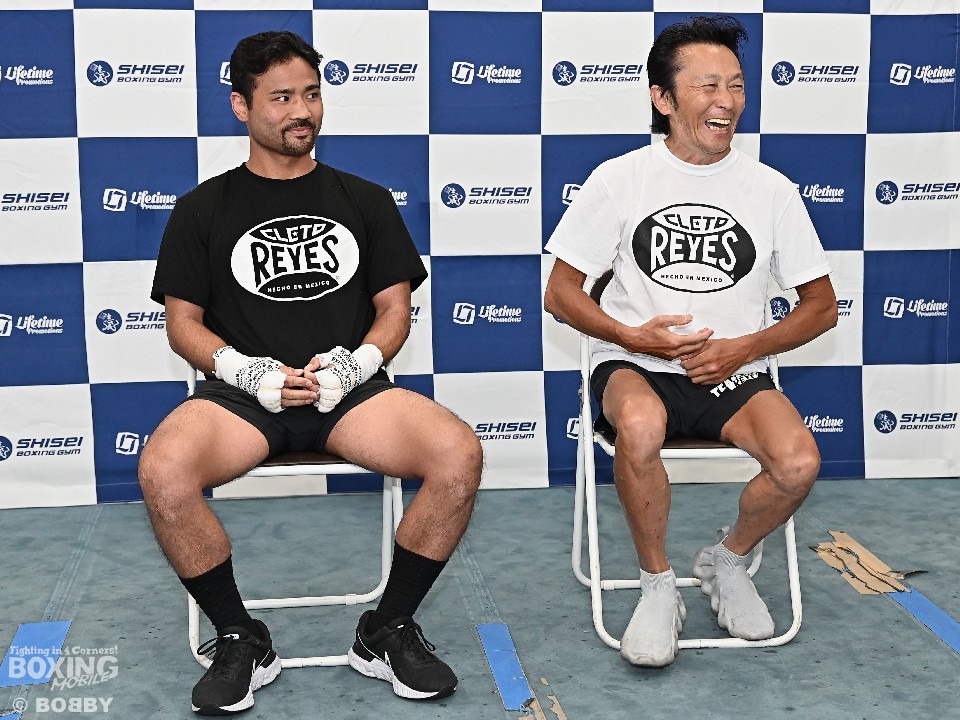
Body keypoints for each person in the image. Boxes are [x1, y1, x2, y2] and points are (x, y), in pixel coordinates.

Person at [140, 30, 482, 715]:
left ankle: (386, 628)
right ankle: (239, 635)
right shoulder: (202, 208)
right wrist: (244, 370)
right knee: (162, 473)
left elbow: (394, 310)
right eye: (281, 98)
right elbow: (183, 324)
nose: (302, 111)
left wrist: (360, 364)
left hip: (349, 393)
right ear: (241, 106)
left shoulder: (365, 199)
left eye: (312, 94)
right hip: (242, 398)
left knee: (458, 454)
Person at [544, 15, 837, 668]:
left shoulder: (771, 190)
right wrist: (631, 335)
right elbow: (560, 293)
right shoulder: (620, 179)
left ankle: (726, 561)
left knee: (798, 463)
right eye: (708, 85)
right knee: (639, 425)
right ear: (663, 98)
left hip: (734, 370)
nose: (726, 100)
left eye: (735, 85)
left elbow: (822, 307)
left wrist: (744, 347)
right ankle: (657, 585)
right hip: (636, 364)